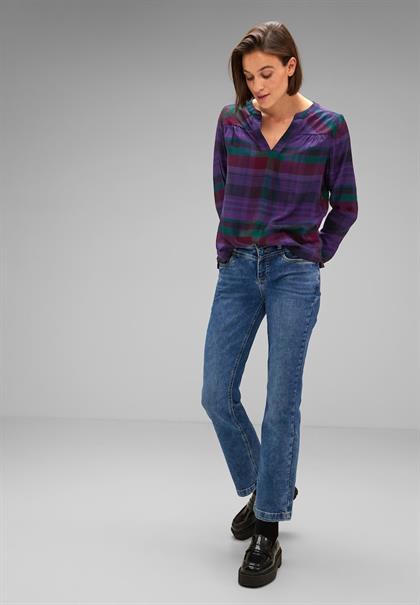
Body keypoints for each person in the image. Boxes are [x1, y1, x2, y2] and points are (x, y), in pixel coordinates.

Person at [201, 21, 358, 588]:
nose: (258, 86)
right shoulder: (232, 121)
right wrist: (232, 248)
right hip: (239, 270)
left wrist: (313, 255)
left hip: (294, 274)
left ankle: (267, 525)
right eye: (249, 77)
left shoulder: (328, 128)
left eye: (266, 73)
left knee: (280, 403)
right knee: (216, 393)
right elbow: (222, 189)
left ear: (291, 65)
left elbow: (346, 205)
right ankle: (271, 484)